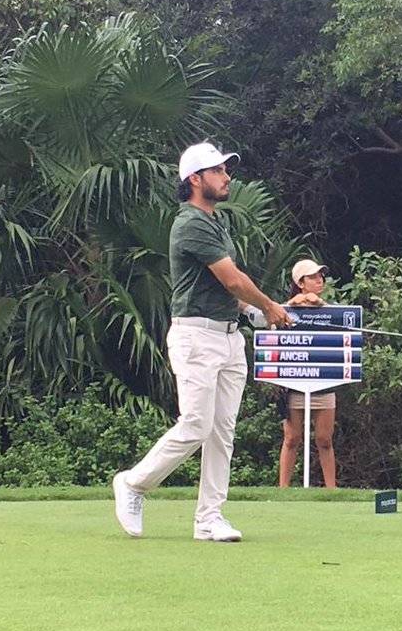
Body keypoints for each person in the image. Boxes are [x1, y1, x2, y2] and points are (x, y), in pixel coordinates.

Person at [112, 142, 291, 542]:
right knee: (195, 424)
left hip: (228, 338)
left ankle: (209, 518)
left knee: (222, 431)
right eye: (218, 171)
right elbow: (231, 279)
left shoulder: (215, 222)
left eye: (226, 171)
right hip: (196, 337)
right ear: (195, 179)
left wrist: (253, 312)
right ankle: (134, 483)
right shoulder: (189, 223)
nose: (227, 177)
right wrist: (269, 306)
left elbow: (225, 286)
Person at [277, 258, 337, 488]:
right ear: (300, 282)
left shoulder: (328, 309)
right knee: (291, 438)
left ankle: (332, 491)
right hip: (293, 382)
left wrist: (321, 305)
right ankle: (283, 490)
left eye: (320, 276)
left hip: (324, 381)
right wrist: (292, 304)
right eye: (313, 277)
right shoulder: (286, 308)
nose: (319, 280)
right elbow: (273, 328)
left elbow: (345, 327)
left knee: (324, 439)